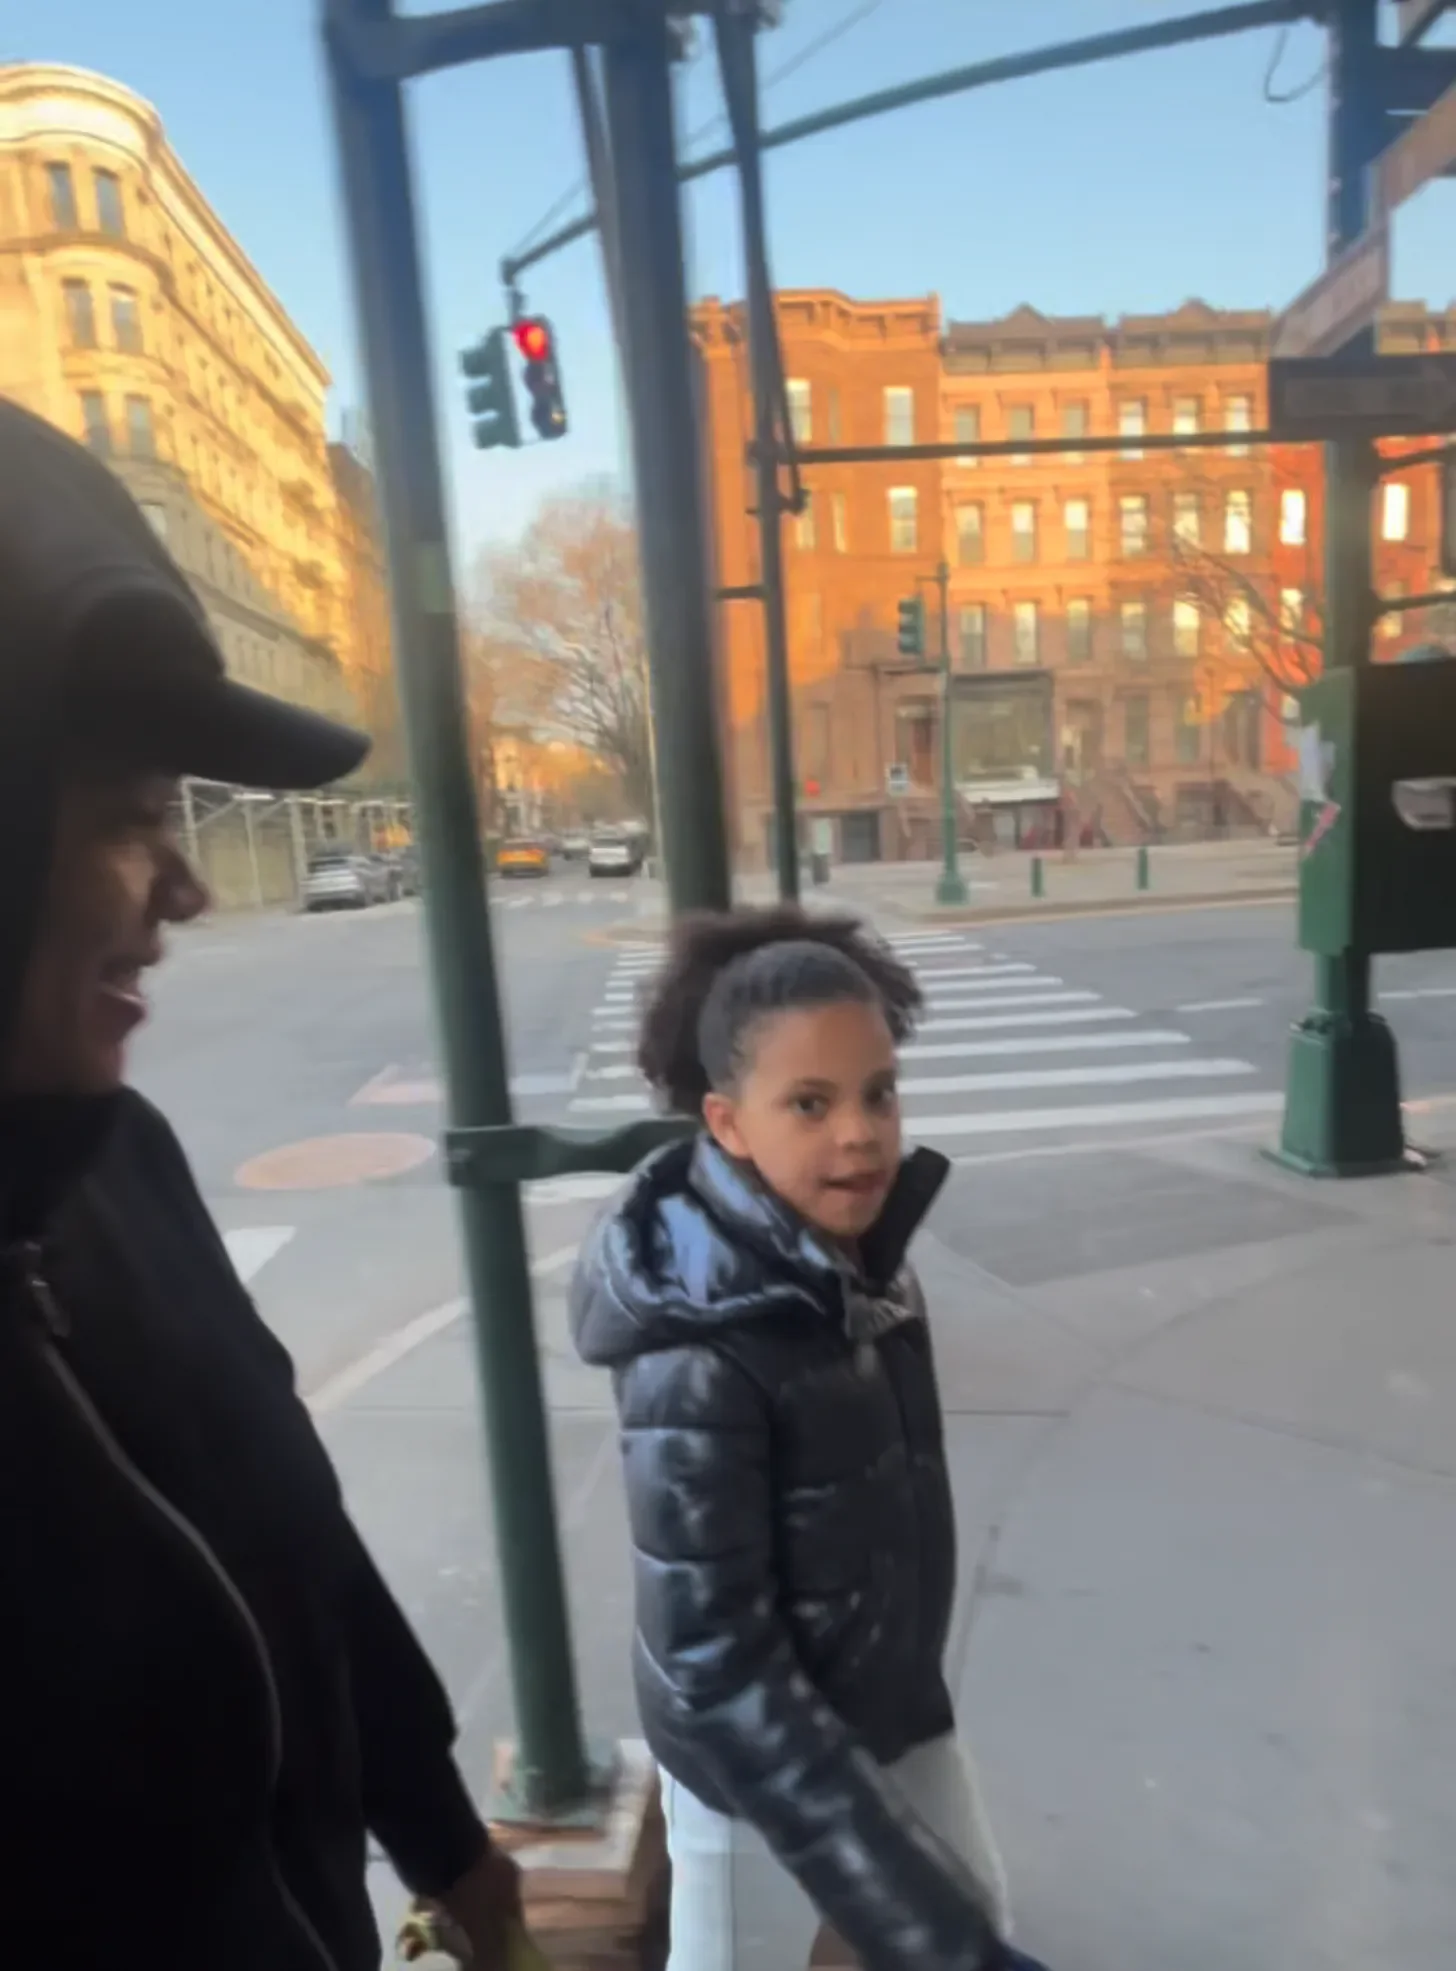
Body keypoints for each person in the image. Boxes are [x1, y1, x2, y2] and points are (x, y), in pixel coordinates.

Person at [0, 398, 520, 1968]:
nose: (187, 887)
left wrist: (450, 1847)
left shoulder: (118, 1159)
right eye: (135, 815)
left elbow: (299, 1542)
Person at [570, 908, 1052, 1971]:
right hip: (755, 1772)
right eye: (810, 1102)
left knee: (966, 1903)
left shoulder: (862, 1261)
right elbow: (719, 1669)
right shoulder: (697, 1353)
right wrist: (928, 1930)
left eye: (879, 1092)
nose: (861, 1133)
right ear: (727, 1123)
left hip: (885, 1706)